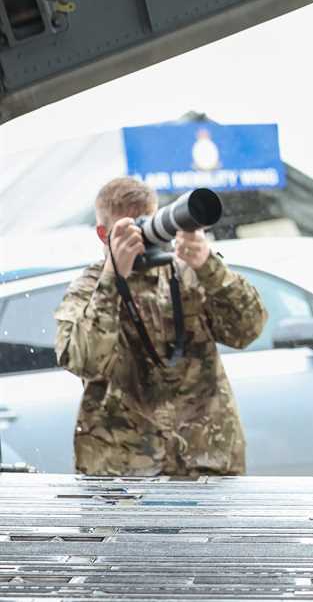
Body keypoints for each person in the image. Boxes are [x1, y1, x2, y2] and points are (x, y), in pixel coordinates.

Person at [53, 177, 267, 476]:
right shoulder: (89, 288)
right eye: (131, 228)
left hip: (207, 462)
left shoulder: (190, 274)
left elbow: (248, 330)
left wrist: (209, 265)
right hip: (124, 473)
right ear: (103, 234)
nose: (144, 237)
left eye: (148, 223)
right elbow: (84, 361)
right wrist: (113, 278)